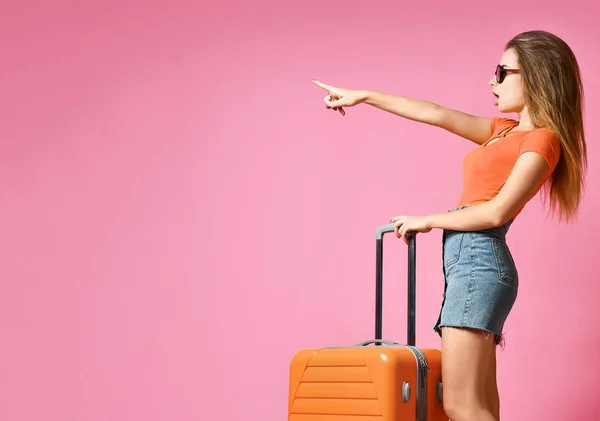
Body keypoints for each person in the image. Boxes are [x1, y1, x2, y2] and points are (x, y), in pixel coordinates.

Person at [312, 30, 587, 421]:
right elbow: (435, 113)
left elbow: (496, 212)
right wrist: (364, 96)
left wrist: (428, 220)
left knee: (461, 405)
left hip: (479, 262)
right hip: (470, 264)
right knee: (482, 406)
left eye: (502, 71)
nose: (492, 81)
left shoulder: (542, 141)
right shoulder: (503, 131)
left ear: (536, 76)